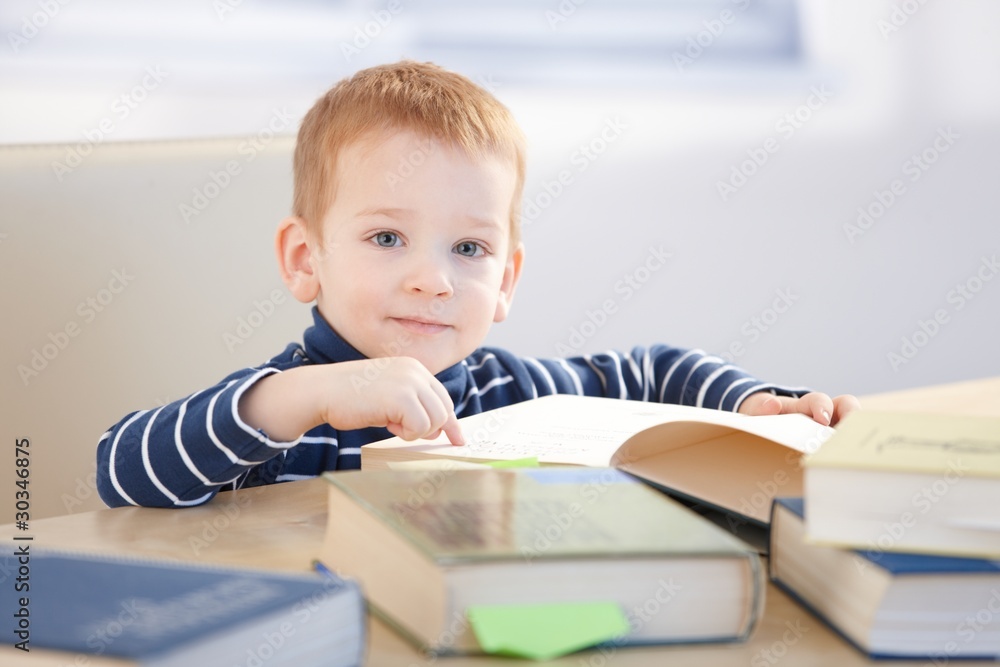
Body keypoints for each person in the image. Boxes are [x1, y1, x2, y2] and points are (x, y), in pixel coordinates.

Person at [96, 61, 859, 508]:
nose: (433, 280)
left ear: (505, 280)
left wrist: (755, 404)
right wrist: (302, 398)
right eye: (387, 238)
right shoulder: (284, 416)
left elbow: (657, 370)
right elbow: (121, 468)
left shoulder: (516, 392)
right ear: (304, 258)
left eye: (468, 248)